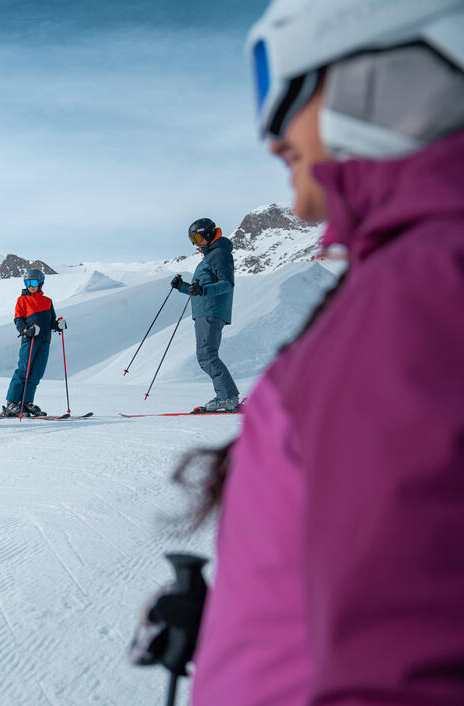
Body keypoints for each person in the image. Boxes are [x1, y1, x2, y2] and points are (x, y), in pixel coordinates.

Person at [183, 1, 464, 704]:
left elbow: (407, 671)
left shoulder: (420, 292)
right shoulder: (412, 271)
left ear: (383, 74)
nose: (271, 136)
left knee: (211, 358)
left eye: (282, 91)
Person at [171, 218, 240, 412]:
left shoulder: (219, 254)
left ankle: (227, 397)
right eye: (192, 240)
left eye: (199, 237)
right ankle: (228, 396)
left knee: (206, 356)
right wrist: (183, 287)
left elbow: (226, 284)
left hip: (211, 311)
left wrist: (201, 291)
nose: (196, 243)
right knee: (207, 356)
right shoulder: (211, 255)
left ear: (209, 234)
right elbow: (201, 289)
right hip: (205, 310)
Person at [0, 268, 66, 417]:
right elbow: (18, 319)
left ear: (40, 283)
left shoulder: (47, 301)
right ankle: (12, 403)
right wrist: (25, 330)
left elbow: (51, 321)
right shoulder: (22, 300)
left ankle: (26, 402)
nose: (30, 285)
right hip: (30, 340)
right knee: (24, 370)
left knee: (37, 373)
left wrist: (58, 325)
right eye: (27, 282)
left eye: (34, 282)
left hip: (45, 340)